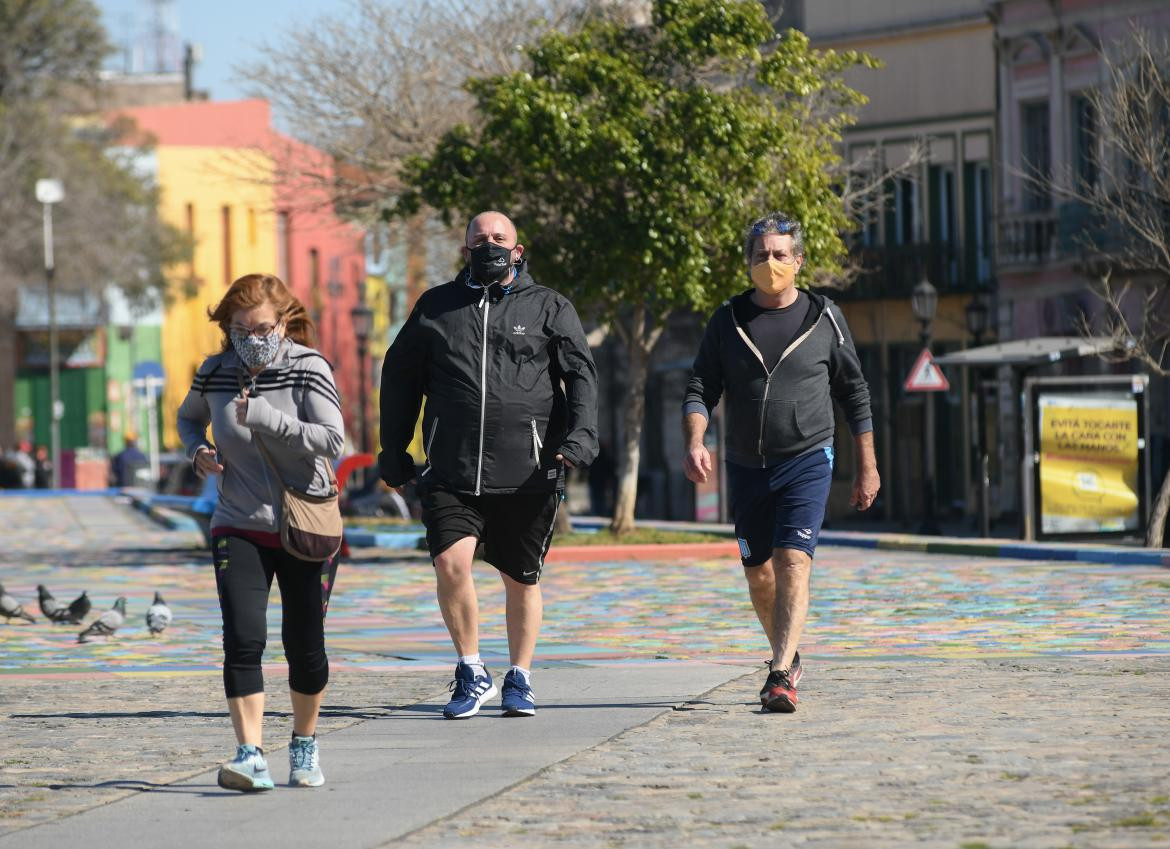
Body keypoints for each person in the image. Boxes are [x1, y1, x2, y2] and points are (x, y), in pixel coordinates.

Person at [379, 210, 598, 719]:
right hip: (450, 469)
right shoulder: (435, 308)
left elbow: (581, 376)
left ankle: (519, 676)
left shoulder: (550, 307)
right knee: (451, 564)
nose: (490, 245)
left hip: (526, 470)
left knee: (521, 577)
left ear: (518, 251)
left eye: (500, 239)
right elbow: (399, 379)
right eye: (480, 239)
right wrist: (394, 451)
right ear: (465, 250)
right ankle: (471, 668)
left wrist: (579, 438)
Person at [682, 212, 880, 713]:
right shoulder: (727, 321)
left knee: (794, 561)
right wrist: (695, 438)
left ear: (799, 260)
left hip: (809, 456)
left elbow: (854, 392)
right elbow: (702, 386)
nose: (769, 263)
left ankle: (778, 673)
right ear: (748, 262)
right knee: (759, 574)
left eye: (779, 254)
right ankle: (788, 655)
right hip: (747, 464)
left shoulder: (825, 317)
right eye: (760, 255)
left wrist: (868, 465)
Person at [177, 273, 345, 791]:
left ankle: (303, 741)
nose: (253, 339)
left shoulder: (309, 368)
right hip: (237, 522)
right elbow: (187, 420)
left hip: (305, 523)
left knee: (305, 645)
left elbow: (333, 440)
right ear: (228, 328)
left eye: (263, 327)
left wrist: (270, 419)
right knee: (244, 639)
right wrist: (197, 451)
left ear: (284, 321)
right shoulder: (215, 372)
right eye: (240, 330)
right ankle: (250, 754)